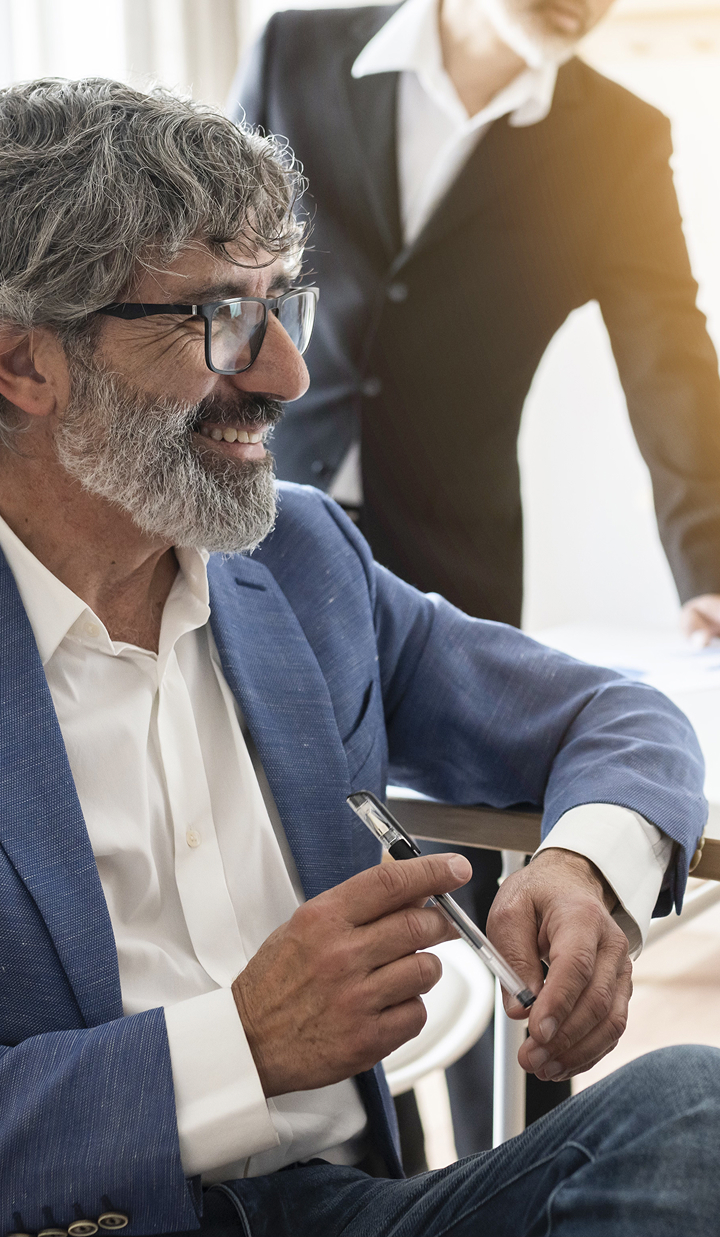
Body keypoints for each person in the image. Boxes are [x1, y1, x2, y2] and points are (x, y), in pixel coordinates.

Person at [0, 76, 718, 1237]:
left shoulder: (300, 563)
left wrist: (586, 868)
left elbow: (614, 720)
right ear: (26, 364)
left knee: (694, 1112)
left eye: (284, 307)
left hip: (349, 1209)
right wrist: (235, 1045)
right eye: (220, 321)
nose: (286, 373)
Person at [232, 0, 720, 1149]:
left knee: (490, 882)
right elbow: (232, 269)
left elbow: (665, 346)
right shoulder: (301, 49)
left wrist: (711, 556)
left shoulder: (616, 132)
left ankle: (489, 1162)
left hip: (451, 544)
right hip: (254, 515)